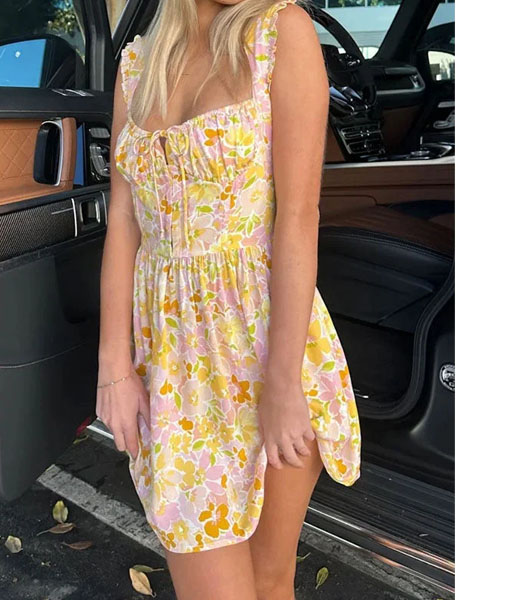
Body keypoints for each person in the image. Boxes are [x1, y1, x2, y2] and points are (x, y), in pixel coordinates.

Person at [97, 1, 361, 598]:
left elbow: (298, 219)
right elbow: (124, 220)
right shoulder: (136, 67)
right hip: (174, 369)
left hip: (270, 348)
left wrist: (284, 385)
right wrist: (113, 364)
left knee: (270, 582)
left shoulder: (281, 33)